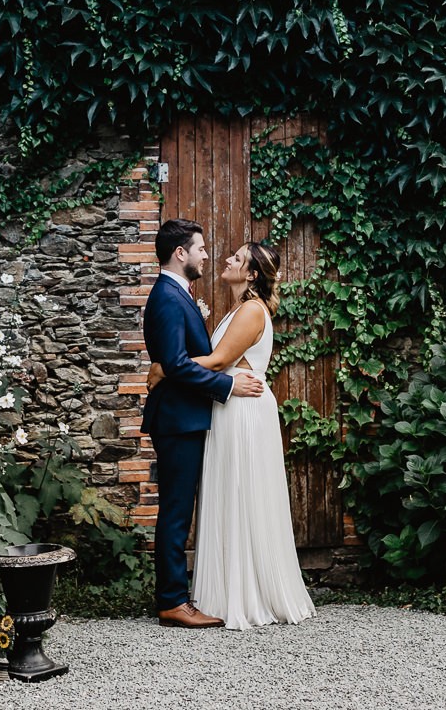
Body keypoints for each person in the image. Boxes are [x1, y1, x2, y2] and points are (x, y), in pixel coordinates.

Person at [148, 240, 316, 630]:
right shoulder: (240, 307)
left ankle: (248, 591)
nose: (225, 259)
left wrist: (166, 369)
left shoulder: (252, 311)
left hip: (242, 411)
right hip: (229, 405)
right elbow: (223, 362)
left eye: (237, 259)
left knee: (242, 493)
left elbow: (221, 360)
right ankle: (226, 588)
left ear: (252, 274)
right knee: (230, 493)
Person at [141, 219, 265, 628]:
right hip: (177, 417)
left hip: (184, 415)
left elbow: (172, 364)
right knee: (176, 511)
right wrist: (226, 385)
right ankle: (172, 601)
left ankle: (176, 596)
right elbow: (176, 364)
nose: (207, 255)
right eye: (200, 248)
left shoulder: (178, 295)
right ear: (181, 253)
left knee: (179, 508)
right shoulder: (168, 297)